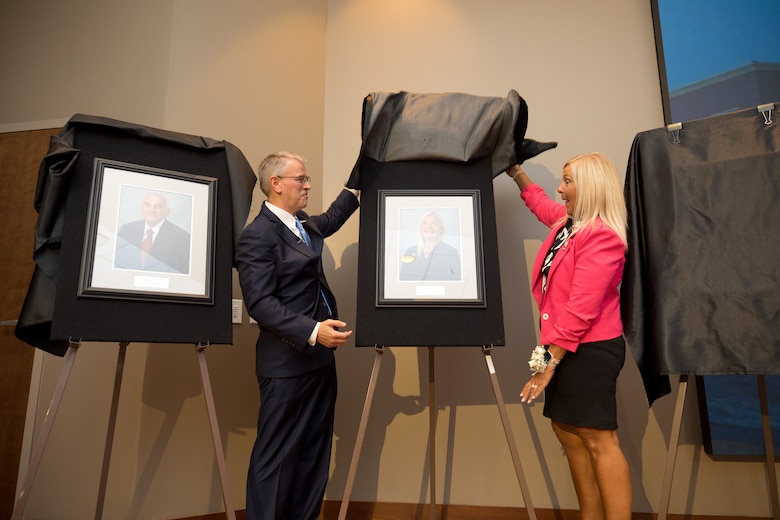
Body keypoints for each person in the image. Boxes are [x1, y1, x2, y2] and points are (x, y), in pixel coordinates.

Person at [236, 151, 360, 520]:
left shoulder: (301, 222)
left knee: (313, 456)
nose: (307, 185)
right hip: (285, 366)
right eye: (300, 179)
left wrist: (359, 176)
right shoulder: (256, 236)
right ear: (275, 184)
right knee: (275, 462)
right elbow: (260, 304)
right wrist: (313, 331)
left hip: (320, 364)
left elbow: (332, 218)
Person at [507, 152, 632, 520]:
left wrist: (546, 365)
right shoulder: (567, 223)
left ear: (589, 187)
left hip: (589, 351)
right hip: (564, 347)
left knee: (598, 440)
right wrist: (516, 172)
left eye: (567, 182)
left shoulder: (603, 237)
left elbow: (580, 311)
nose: (559, 190)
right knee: (568, 431)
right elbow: (541, 204)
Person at [114, 191, 191, 274]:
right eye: (147, 205)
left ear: (167, 212)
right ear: (141, 208)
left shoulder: (182, 237)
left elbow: (182, 273)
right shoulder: (126, 230)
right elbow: (116, 263)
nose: (151, 210)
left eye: (158, 206)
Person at [399, 211, 461, 281]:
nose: (429, 227)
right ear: (420, 228)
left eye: (434, 224)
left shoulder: (451, 252)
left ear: (441, 229)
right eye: (425, 223)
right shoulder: (410, 251)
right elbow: (403, 281)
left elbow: (457, 283)